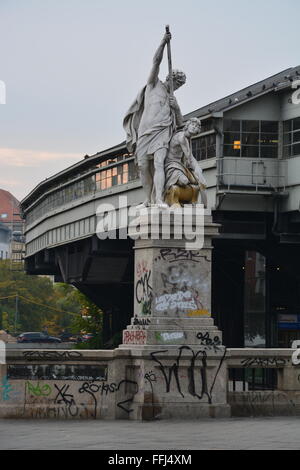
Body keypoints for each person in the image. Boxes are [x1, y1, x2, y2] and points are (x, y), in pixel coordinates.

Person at [123, 31, 186, 207]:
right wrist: (163, 43)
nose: (177, 86)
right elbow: (156, 61)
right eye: (176, 82)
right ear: (169, 77)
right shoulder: (153, 85)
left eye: (179, 85)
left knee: (159, 163)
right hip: (145, 132)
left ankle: (158, 198)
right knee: (143, 167)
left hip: (162, 134)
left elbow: (180, 124)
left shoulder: (173, 100)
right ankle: (148, 199)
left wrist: (177, 108)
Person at [164, 118, 207, 207]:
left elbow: (190, 157)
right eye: (193, 125)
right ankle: (171, 196)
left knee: (195, 182)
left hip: (180, 166)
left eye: (196, 127)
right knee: (184, 181)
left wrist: (198, 170)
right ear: (187, 125)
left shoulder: (188, 139)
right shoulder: (182, 137)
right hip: (171, 165)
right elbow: (189, 157)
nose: (194, 127)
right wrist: (198, 169)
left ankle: (187, 201)